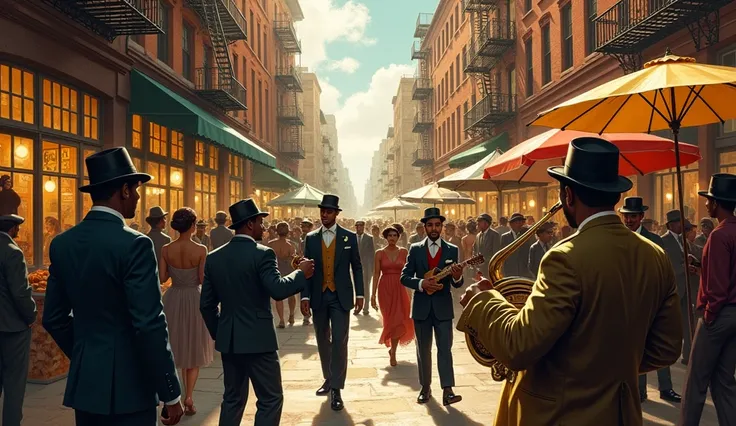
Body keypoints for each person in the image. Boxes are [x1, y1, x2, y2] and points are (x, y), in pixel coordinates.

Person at [458, 137, 682, 425]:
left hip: (559, 415)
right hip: (621, 414)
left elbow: (518, 346)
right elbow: (666, 349)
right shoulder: (655, 255)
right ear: (614, 196)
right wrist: (608, 369)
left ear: (568, 195)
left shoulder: (564, 257)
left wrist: (484, 299)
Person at [42, 147, 183, 426]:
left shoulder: (62, 243)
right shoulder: (135, 244)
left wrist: (88, 354)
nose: (139, 197)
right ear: (125, 190)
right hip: (131, 386)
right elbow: (149, 324)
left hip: (87, 385)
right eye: (137, 189)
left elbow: (54, 318)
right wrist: (171, 392)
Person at [200, 199, 313, 426]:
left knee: (232, 399)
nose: (264, 227)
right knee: (270, 398)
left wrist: (221, 332)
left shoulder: (214, 258)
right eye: (261, 222)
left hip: (230, 339)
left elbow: (206, 305)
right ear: (250, 224)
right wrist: (300, 274)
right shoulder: (262, 254)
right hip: (259, 339)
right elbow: (278, 289)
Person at [681, 173, 736, 426]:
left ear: (716, 204)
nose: (705, 204)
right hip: (734, 315)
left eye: (709, 200)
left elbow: (718, 289)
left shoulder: (718, 235)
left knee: (695, 382)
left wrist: (709, 316)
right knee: (724, 381)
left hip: (717, 314)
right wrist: (701, 268)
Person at [300, 194, 364, 411]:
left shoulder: (349, 237)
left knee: (339, 339)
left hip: (340, 296)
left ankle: (337, 388)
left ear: (336, 214)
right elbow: (307, 270)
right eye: (322, 211)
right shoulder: (310, 238)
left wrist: (361, 294)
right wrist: (305, 296)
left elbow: (357, 266)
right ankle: (328, 377)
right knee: (321, 338)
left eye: (328, 211)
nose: (324, 214)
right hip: (318, 294)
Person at [618, 196, 681, 403]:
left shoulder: (655, 240)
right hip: (626, 299)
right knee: (635, 347)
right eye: (626, 217)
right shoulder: (616, 238)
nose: (629, 221)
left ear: (641, 217)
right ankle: (640, 390)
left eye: (633, 217)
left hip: (652, 297)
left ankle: (666, 388)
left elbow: (665, 268)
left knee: (658, 343)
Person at [400, 207, 465, 406]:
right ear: (425, 227)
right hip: (421, 307)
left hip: (443, 308)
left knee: (445, 348)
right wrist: (421, 284)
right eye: (430, 225)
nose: (434, 228)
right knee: (423, 349)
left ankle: (448, 389)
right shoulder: (415, 248)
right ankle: (425, 387)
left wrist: (457, 276)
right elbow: (404, 277)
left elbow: (457, 283)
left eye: (437, 224)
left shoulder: (452, 250)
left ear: (442, 227)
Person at [159, 207, 214, 416]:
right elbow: (202, 279)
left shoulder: (166, 249)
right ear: (192, 226)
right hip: (194, 298)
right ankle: (189, 396)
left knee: (175, 347)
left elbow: (163, 277)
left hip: (172, 299)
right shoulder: (201, 250)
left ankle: (176, 396)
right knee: (193, 347)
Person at [0, 214, 36, 426]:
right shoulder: (13, 252)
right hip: (13, 327)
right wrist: (30, 315)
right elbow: (20, 292)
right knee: (14, 383)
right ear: (13, 229)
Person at [371, 225, 414, 366]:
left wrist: (412, 291)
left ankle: (393, 352)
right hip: (385, 290)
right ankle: (392, 349)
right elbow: (376, 274)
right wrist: (372, 295)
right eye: (389, 236)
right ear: (385, 237)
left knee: (400, 319)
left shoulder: (404, 252)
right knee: (390, 320)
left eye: (395, 236)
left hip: (401, 288)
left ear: (398, 237)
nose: (392, 238)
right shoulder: (379, 253)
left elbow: (409, 272)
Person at [662, 209, 697, 365]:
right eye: (678, 222)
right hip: (675, 288)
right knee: (672, 325)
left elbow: (689, 258)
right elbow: (667, 266)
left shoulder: (684, 240)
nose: (681, 225)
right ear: (671, 225)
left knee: (689, 322)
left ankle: (688, 354)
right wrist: (684, 267)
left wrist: (692, 263)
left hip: (687, 289)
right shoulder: (664, 241)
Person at [269, 222, 298, 327]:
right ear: (288, 232)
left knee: (278, 296)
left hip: (277, 270)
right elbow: (295, 259)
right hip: (289, 270)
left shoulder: (271, 244)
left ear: (276, 231)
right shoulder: (292, 245)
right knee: (291, 294)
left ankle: (281, 319)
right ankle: (291, 314)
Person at [499, 212, 533, 278]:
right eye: (517, 222)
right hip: (510, 271)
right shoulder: (505, 237)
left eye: (521, 222)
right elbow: (502, 255)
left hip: (524, 271)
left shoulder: (527, 234)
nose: (520, 224)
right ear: (511, 224)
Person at [355, 220, 375, 315]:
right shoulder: (352, 237)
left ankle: (365, 307)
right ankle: (357, 306)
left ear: (363, 227)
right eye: (357, 226)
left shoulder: (369, 238)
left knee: (366, 287)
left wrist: (372, 268)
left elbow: (372, 254)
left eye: (361, 226)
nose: (359, 228)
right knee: (356, 287)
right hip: (355, 267)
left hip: (367, 267)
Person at [473, 213, 500, 279]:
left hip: (490, 270)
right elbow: (475, 250)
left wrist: (485, 261)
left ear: (486, 224)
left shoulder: (494, 235)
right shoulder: (478, 236)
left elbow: (496, 254)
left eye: (480, 222)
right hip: (480, 270)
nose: (478, 224)